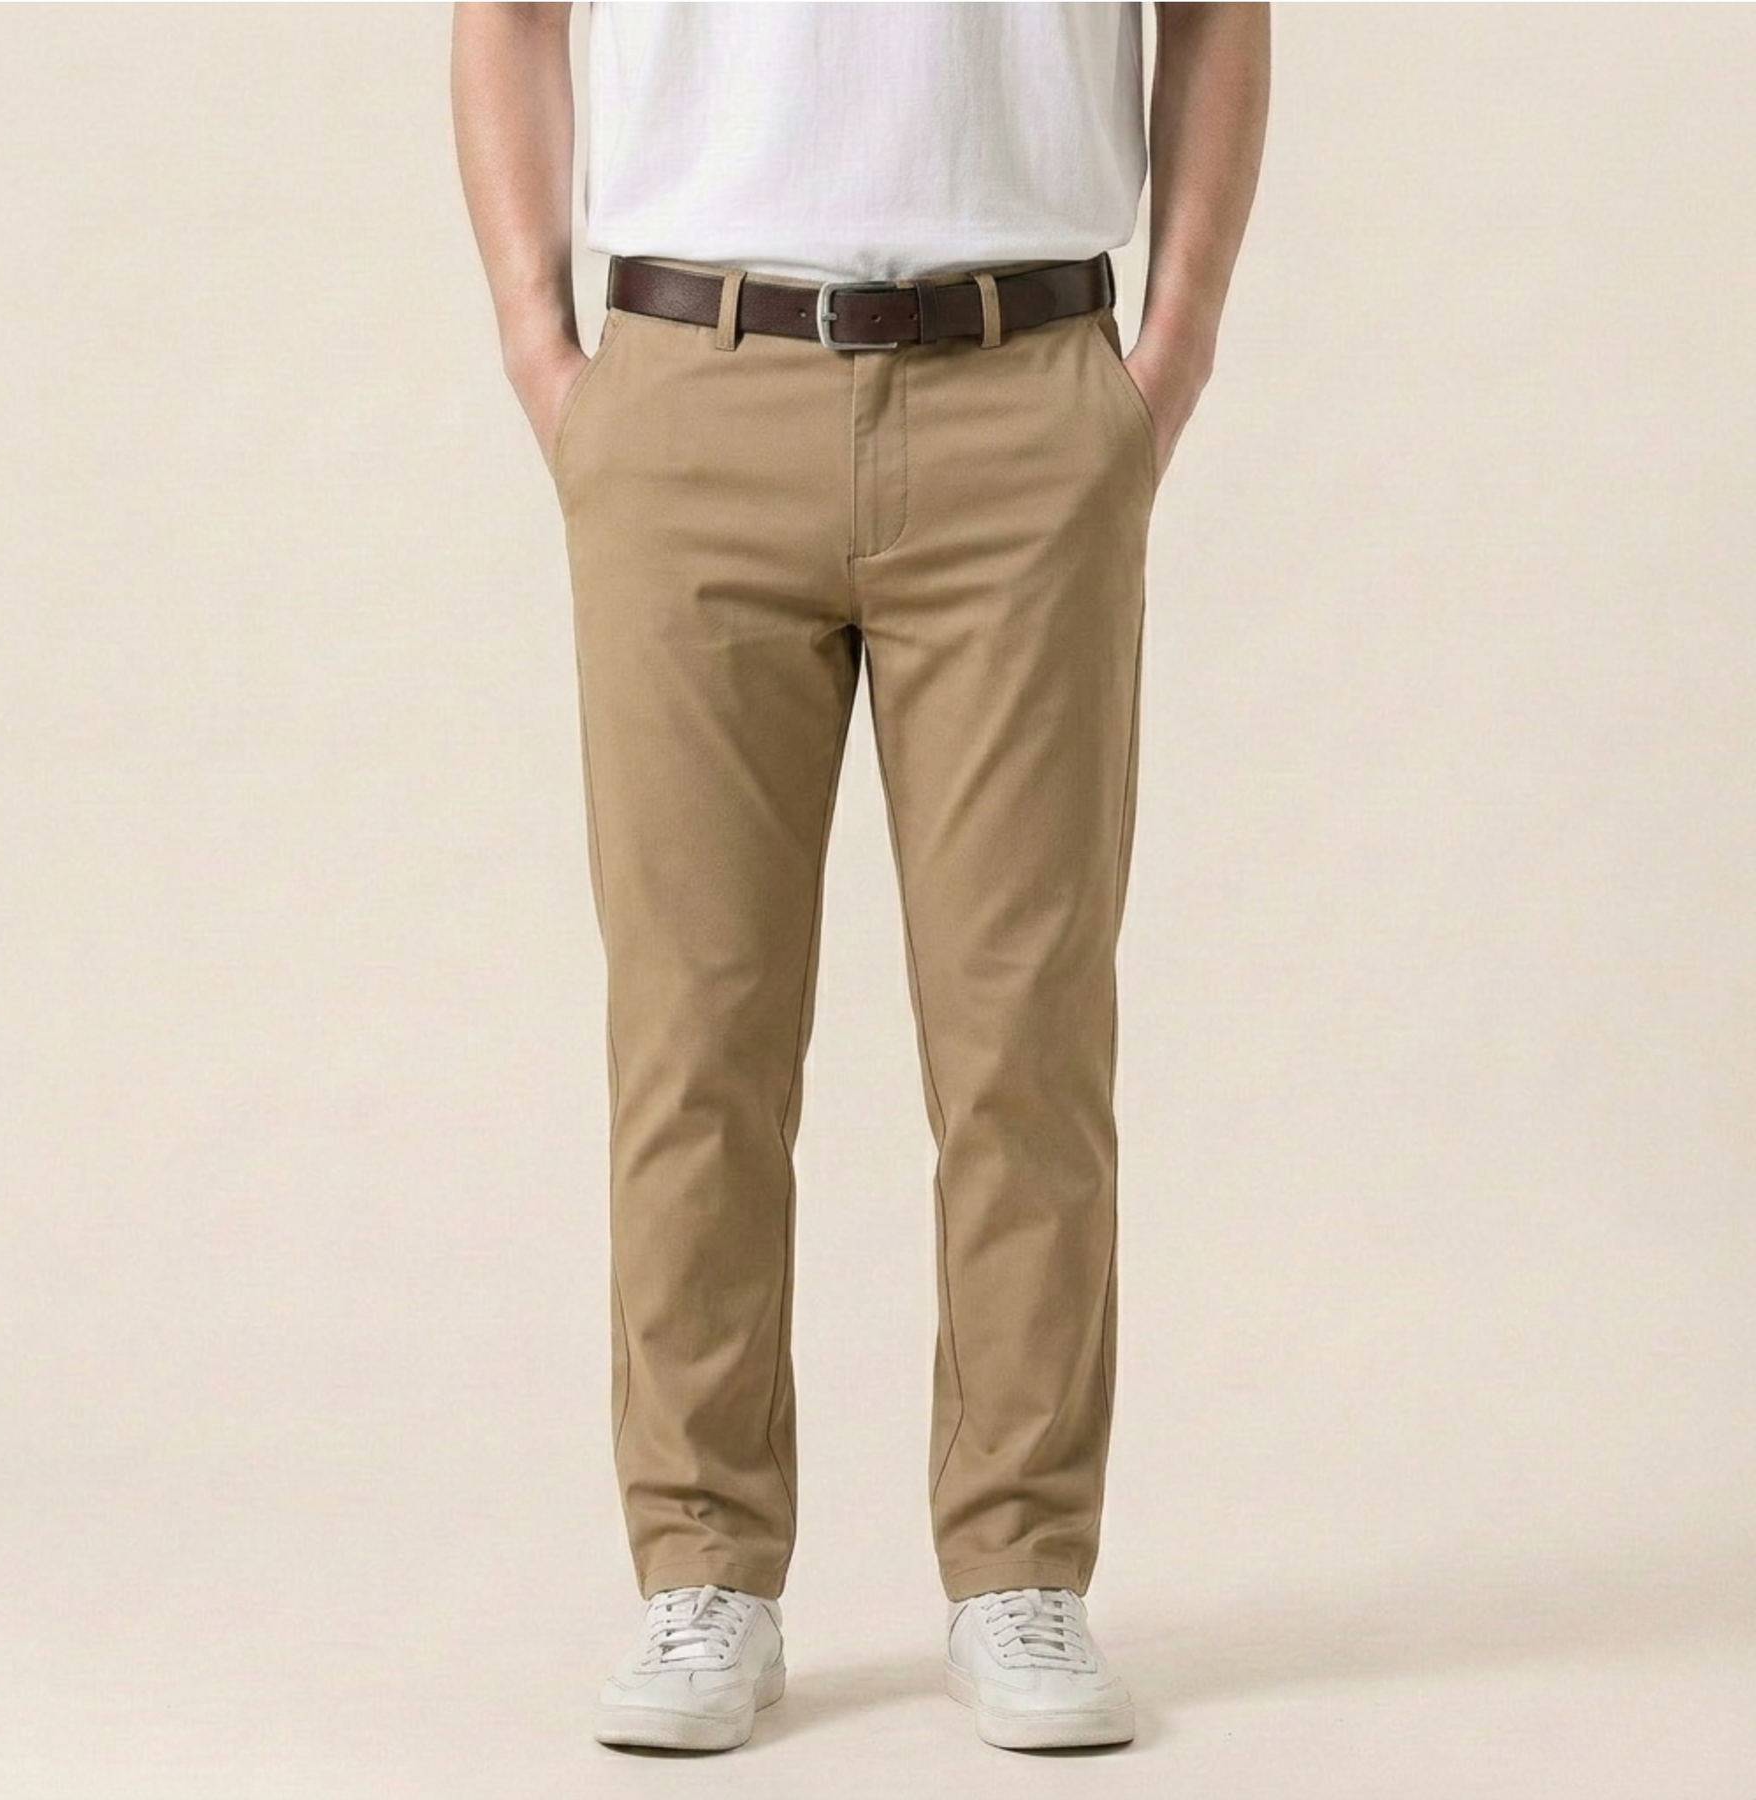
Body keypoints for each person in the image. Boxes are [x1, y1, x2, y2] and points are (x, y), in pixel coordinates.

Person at [452, 0, 1268, 1756]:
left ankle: (1021, 1566)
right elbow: (507, 18)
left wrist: (1175, 349)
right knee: (694, 1039)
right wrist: (540, 349)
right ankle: (702, 1569)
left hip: (1024, 386)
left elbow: (1216, 16)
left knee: (1026, 1037)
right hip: (691, 380)